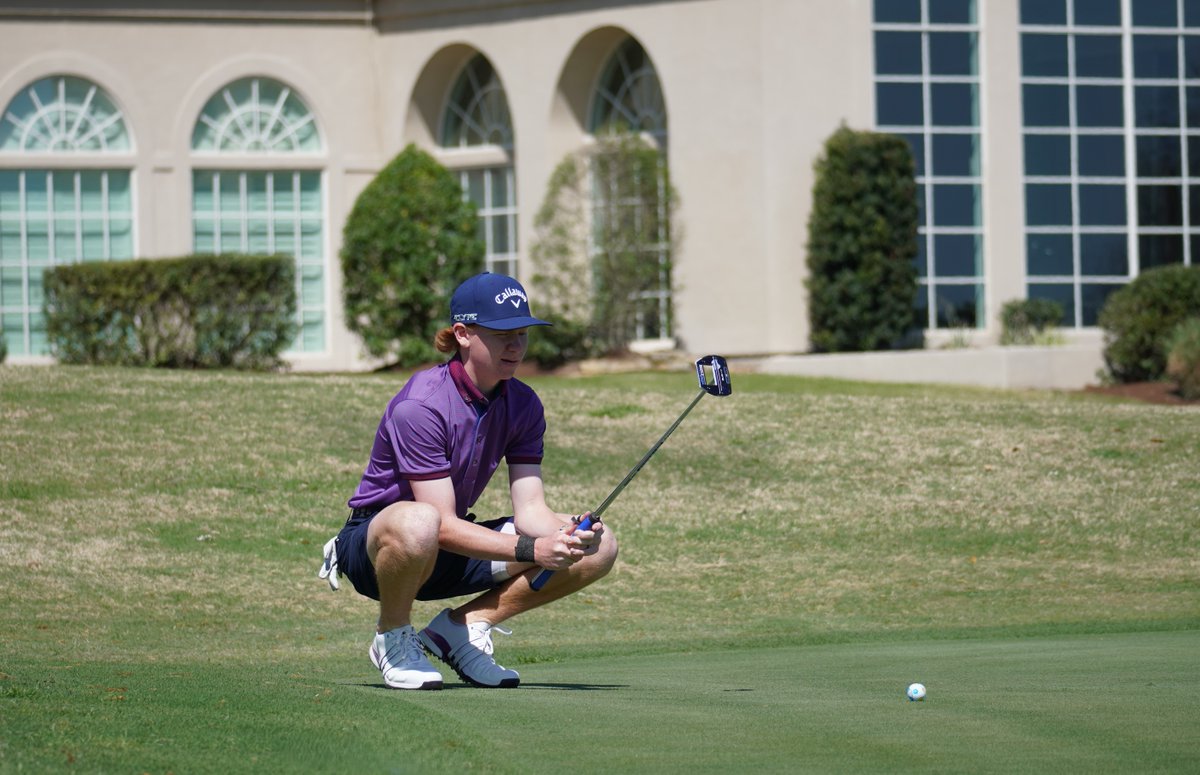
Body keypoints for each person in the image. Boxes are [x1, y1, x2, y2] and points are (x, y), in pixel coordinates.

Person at [319, 272, 616, 690]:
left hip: (446, 544)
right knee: (419, 521)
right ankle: (392, 635)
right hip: (378, 550)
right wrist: (536, 549)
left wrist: (568, 536)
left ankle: (461, 629)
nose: (516, 346)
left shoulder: (524, 403)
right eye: (502, 334)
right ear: (462, 333)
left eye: (523, 334)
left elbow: (531, 510)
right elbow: (438, 521)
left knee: (600, 547)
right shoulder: (421, 405)